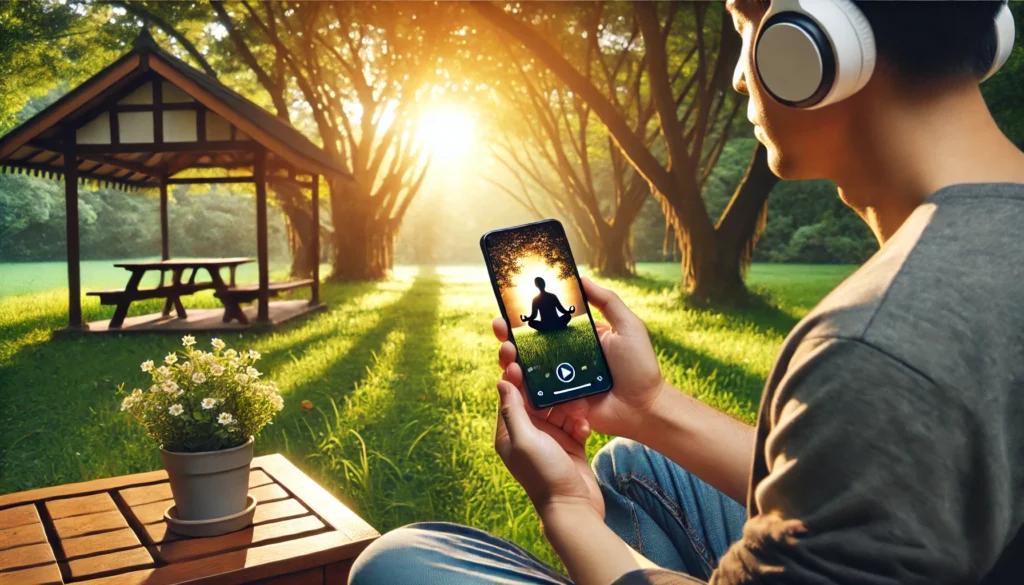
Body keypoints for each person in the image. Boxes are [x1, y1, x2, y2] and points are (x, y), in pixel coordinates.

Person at [350, 1, 1024, 583]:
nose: (738, 75)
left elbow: (882, 413)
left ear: (816, 37)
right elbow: (884, 475)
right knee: (639, 461)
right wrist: (647, 405)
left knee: (399, 563)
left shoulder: (876, 344)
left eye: (746, 25)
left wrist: (568, 510)